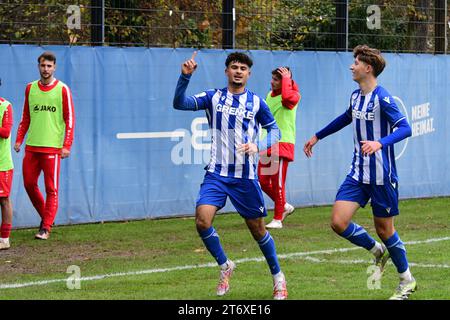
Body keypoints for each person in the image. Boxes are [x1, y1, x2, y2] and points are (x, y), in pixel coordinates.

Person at [303, 45, 416, 300]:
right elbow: (345, 118)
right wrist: (317, 136)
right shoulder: (355, 97)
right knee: (338, 222)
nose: (352, 66)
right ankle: (376, 250)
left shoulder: (383, 97)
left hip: (381, 177)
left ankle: (406, 280)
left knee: (386, 230)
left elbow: (405, 128)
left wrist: (380, 142)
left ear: (368, 68)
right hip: (357, 174)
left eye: (356, 62)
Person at [173, 51, 288, 300]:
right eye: (234, 67)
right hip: (216, 174)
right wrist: (185, 77)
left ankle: (278, 278)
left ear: (248, 74)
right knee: (202, 221)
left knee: (257, 230)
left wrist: (259, 145)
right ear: (227, 71)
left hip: (245, 178)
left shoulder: (257, 102)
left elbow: (275, 130)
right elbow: (180, 103)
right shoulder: (213, 97)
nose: (238, 71)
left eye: (243, 68)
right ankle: (225, 266)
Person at [14, 51, 75, 240]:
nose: (46, 69)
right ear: (38, 66)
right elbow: (25, 116)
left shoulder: (62, 89)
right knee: (29, 184)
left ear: (54, 67)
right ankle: (47, 217)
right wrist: (19, 139)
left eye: (49, 66)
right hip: (32, 146)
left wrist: (67, 145)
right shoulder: (30, 88)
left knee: (51, 189)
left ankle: (45, 227)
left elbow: (70, 118)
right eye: (43, 65)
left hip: (52, 149)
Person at [258, 66, 300, 229]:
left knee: (278, 182)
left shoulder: (293, 95)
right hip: (267, 143)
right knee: (262, 181)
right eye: (273, 78)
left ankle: (277, 219)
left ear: (285, 82)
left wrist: (287, 80)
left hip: (282, 144)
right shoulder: (269, 95)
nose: (272, 82)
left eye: (277, 79)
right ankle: (285, 206)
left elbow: (287, 98)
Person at [0, 94, 13, 250]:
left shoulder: (5, 105)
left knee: (3, 199)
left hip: (2, 164)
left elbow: (5, 132)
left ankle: (4, 239)